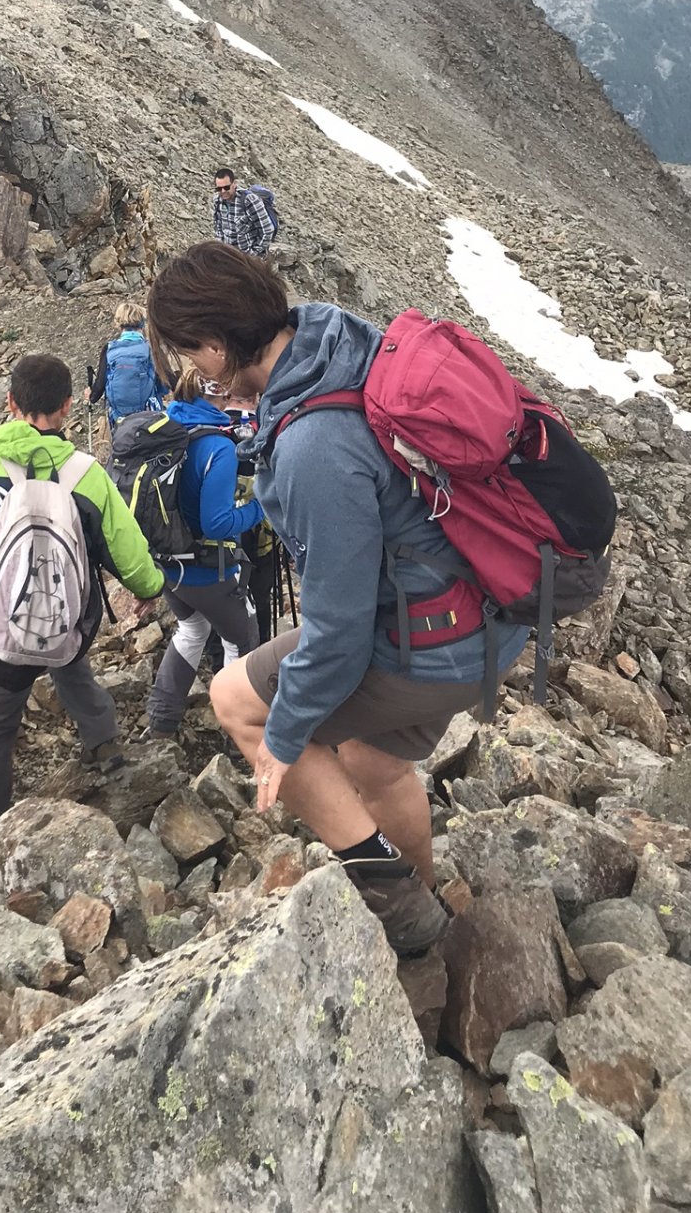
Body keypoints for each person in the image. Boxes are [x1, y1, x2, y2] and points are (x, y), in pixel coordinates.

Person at [146, 242, 530, 956]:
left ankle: (400, 910)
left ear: (215, 345)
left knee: (237, 700)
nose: (192, 370)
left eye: (189, 352)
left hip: (436, 641)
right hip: (486, 609)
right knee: (370, 760)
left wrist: (282, 738)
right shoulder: (333, 338)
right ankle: (422, 900)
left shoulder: (313, 447)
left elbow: (339, 635)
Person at [0, 352, 163, 821]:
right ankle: (105, 747)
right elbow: (128, 553)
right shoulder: (87, 474)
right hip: (68, 620)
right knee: (70, 663)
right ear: (67, 406)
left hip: (2, 628)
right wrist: (148, 588)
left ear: (10, 402)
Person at [143, 366, 263, 741]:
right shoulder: (218, 447)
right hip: (209, 569)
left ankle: (161, 722)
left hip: (167, 565)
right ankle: (240, 734)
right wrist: (260, 509)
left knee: (192, 630)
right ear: (220, 394)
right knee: (242, 641)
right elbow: (217, 523)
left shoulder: (166, 429)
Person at [86, 304, 166, 427]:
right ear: (142, 323)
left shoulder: (110, 349)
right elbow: (165, 385)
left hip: (120, 421)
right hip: (149, 419)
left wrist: (90, 396)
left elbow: (98, 389)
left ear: (119, 324)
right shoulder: (150, 348)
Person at [211, 167, 274, 256]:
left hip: (249, 258)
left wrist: (253, 254)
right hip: (228, 256)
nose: (223, 191)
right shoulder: (217, 201)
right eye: (219, 189)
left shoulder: (249, 200)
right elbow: (218, 228)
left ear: (234, 184)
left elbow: (267, 230)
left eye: (226, 187)